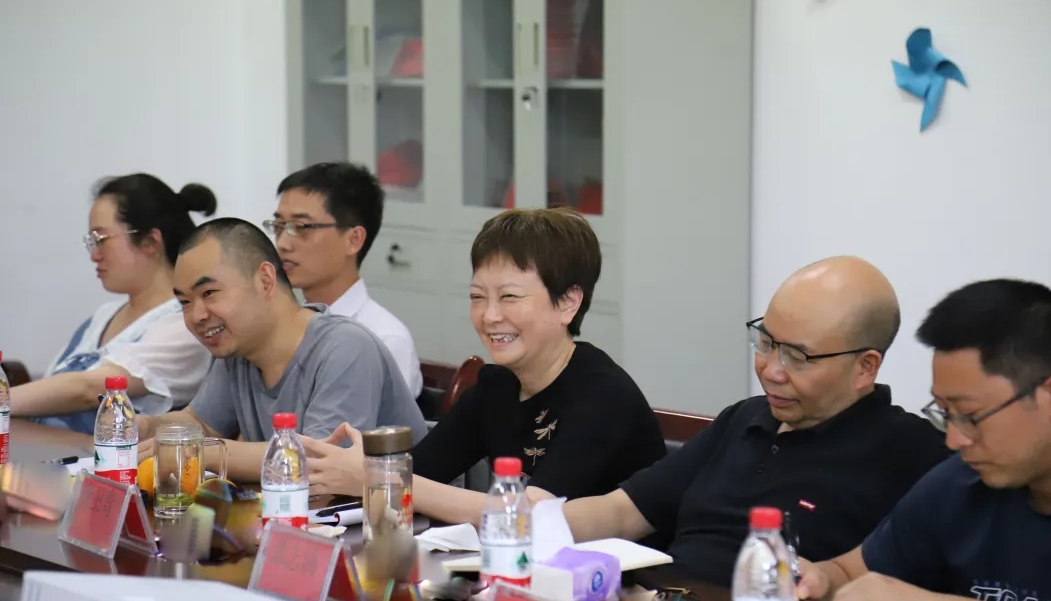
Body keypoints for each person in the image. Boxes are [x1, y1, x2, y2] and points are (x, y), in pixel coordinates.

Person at [560, 256, 951, 586]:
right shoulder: (745, 418)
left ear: (865, 367)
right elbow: (622, 512)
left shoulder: (911, 454)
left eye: (797, 357)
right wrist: (532, 526)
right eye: (766, 343)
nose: (771, 370)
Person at [301, 208, 667, 525]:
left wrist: (379, 477)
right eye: (477, 297)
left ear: (568, 303)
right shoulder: (497, 387)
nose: (489, 316)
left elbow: (529, 516)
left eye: (509, 297)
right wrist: (346, 472)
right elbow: (421, 474)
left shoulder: (603, 396)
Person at [796, 279, 1051, 601]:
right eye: (945, 413)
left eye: (970, 416)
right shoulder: (959, 485)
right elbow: (851, 573)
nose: (953, 439)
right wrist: (820, 581)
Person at [135, 218, 427, 482]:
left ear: (265, 280)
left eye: (209, 293)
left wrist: (202, 451)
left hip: (399, 518)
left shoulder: (347, 347)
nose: (197, 315)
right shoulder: (238, 349)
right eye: (185, 302)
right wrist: (148, 427)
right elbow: (202, 423)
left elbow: (317, 463)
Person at [11, 174, 215, 433]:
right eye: (91, 242)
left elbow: (87, 390)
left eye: (101, 239)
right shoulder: (103, 316)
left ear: (150, 242)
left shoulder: (184, 325)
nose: (95, 255)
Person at [267, 162, 423, 397]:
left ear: (354, 240)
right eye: (279, 226)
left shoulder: (384, 340)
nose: (283, 243)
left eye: (301, 227)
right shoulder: (281, 330)